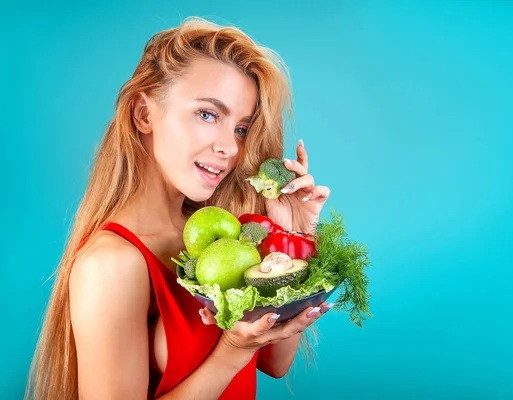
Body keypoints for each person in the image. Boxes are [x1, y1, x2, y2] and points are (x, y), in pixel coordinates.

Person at [26, 17, 333, 399]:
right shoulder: (111, 264)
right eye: (208, 114)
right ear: (143, 114)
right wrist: (231, 352)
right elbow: (244, 355)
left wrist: (297, 234)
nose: (230, 148)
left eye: (241, 128)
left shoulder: (224, 239)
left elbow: (275, 362)